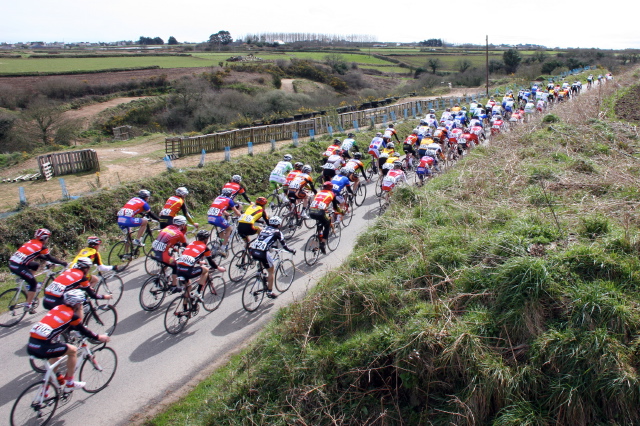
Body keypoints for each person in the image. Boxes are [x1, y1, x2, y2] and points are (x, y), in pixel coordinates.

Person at [27, 289, 110, 393]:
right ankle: (70, 383)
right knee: (73, 350)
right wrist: (99, 337)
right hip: (42, 347)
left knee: (56, 359)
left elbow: (62, 324)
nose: (81, 305)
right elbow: (83, 330)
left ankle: (45, 390)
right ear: (77, 304)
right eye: (81, 303)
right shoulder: (72, 316)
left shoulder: (58, 307)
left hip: (31, 344)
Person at [9, 228, 68, 313]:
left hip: (12, 263)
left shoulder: (31, 242)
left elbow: (37, 255)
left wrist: (47, 261)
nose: (47, 240)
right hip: (19, 267)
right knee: (33, 284)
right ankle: (28, 306)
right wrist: (63, 263)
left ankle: (25, 280)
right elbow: (50, 258)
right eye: (47, 238)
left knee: (35, 265)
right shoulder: (42, 246)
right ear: (44, 238)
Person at [248, 216, 296, 299]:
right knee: (271, 271)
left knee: (263, 261)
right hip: (262, 252)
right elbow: (284, 246)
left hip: (252, 250)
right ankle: (270, 292)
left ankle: (259, 273)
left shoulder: (264, 229)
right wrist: (291, 251)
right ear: (279, 224)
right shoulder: (278, 232)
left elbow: (264, 239)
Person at [42, 257, 111, 312]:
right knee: (78, 307)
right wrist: (105, 296)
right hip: (56, 300)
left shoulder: (69, 271)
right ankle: (77, 329)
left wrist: (84, 288)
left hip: (46, 298)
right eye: (89, 268)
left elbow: (69, 285)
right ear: (86, 268)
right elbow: (93, 295)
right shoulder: (81, 277)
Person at [175, 230, 226, 299]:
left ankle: (185, 307)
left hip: (178, 269)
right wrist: (218, 268)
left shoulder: (191, 243)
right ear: (206, 239)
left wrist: (199, 262)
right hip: (187, 271)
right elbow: (210, 261)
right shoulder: (205, 248)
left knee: (188, 288)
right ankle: (198, 292)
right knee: (206, 270)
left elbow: (189, 256)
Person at [149, 215, 188, 292]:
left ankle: (159, 277)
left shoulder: (168, 227)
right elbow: (186, 245)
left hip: (153, 251)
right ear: (182, 224)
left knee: (169, 259)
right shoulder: (179, 233)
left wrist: (173, 247)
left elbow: (165, 240)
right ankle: (174, 286)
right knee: (175, 265)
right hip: (162, 255)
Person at [308, 181, 343, 255]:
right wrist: (341, 212)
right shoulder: (332, 194)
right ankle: (323, 243)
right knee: (327, 224)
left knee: (320, 222)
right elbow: (335, 207)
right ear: (331, 188)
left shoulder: (319, 192)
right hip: (320, 212)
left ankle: (319, 234)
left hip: (311, 212)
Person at [207, 190, 242, 257]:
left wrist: (227, 214)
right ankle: (223, 248)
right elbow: (236, 212)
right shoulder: (229, 200)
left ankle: (222, 241)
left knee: (222, 230)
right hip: (217, 218)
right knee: (229, 228)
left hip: (209, 217)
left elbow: (219, 208)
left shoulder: (218, 197)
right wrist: (242, 216)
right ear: (230, 195)